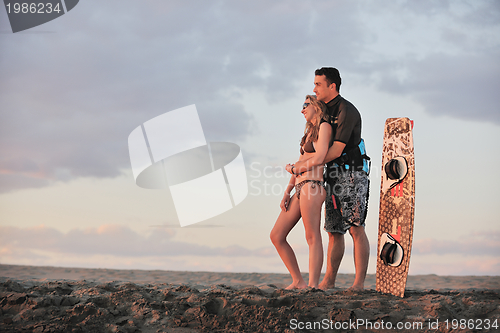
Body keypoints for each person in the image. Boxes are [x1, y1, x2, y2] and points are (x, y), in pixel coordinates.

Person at [290, 67, 370, 291]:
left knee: (355, 226)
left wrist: (303, 166)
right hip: (331, 175)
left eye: (318, 84)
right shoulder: (322, 110)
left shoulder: (347, 110)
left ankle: (358, 284)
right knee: (334, 230)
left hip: (352, 173)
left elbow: (334, 151)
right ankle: (329, 281)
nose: (314, 88)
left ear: (332, 86)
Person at [270, 95, 332, 289]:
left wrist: (296, 168)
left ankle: (313, 286)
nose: (302, 109)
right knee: (277, 235)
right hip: (299, 187)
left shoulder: (325, 127)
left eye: (306, 105)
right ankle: (298, 280)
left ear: (316, 106)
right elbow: (300, 161)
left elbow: (320, 157)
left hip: (313, 185)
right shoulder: (309, 134)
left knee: (311, 236)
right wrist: (287, 192)